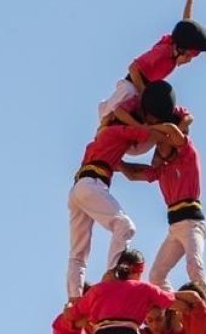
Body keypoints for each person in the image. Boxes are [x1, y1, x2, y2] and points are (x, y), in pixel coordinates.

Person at [67, 84, 185, 301]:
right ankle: (112, 275)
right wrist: (175, 124)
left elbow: (130, 172)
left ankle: (73, 301)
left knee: (78, 254)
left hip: (79, 188)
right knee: (125, 226)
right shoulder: (121, 131)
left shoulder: (107, 140)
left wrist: (156, 173)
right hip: (92, 184)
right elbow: (154, 134)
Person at [97, 0, 206, 122]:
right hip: (131, 86)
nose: (189, 60)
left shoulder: (176, 48)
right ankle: (105, 116)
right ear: (180, 49)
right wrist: (145, 94)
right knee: (118, 108)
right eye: (188, 56)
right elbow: (133, 68)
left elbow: (186, 25)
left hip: (142, 89)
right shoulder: (163, 53)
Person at [118, 132, 206, 299]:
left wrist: (156, 128)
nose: (159, 146)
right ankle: (173, 308)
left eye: (162, 142)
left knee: (194, 264)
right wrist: (117, 161)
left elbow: (177, 132)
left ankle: (205, 307)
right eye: (157, 144)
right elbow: (132, 174)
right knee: (156, 275)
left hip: (192, 223)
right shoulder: (162, 170)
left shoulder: (188, 156)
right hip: (175, 228)